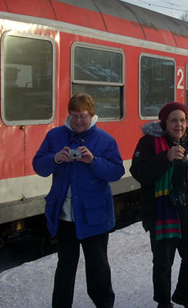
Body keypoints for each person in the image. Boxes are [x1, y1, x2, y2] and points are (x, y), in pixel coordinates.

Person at [33, 92, 125, 308]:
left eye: (82, 115)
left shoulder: (104, 140)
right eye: (74, 115)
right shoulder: (55, 136)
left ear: (91, 115)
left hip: (94, 216)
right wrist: (55, 158)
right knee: (65, 267)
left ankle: (104, 304)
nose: (78, 121)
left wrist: (93, 161)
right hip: (64, 216)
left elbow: (116, 171)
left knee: (98, 268)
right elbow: (38, 165)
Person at [130, 102, 188, 308]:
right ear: (164, 123)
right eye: (173, 120)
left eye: (182, 120)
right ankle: (163, 301)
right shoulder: (148, 143)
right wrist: (166, 157)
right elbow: (140, 173)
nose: (178, 124)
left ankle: (183, 295)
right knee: (163, 262)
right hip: (161, 211)